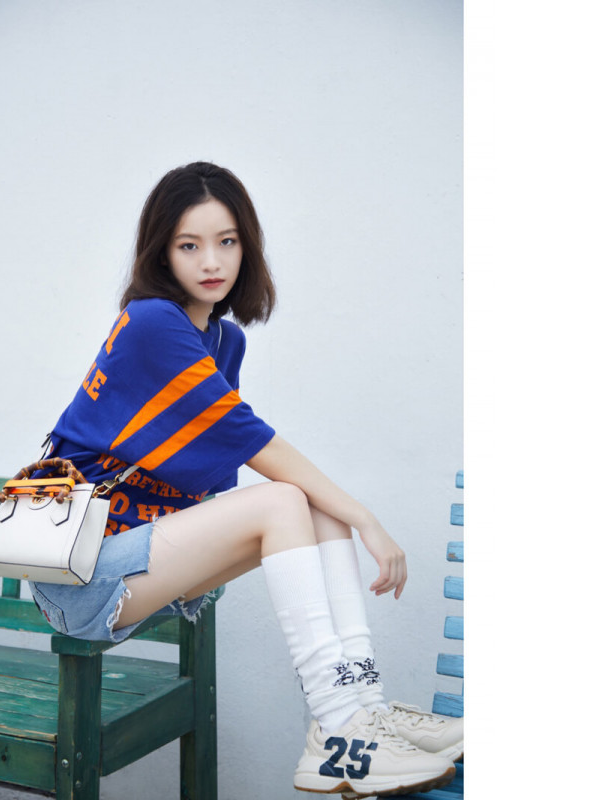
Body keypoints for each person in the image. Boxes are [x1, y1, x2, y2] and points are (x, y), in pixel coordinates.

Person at [29, 161, 463, 796]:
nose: (212, 261)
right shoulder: (152, 322)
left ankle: (362, 703)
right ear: (162, 252)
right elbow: (250, 442)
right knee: (287, 498)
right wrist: (368, 519)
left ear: (246, 245)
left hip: (142, 557)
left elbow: (218, 459)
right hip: (79, 572)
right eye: (189, 245)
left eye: (227, 241)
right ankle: (337, 726)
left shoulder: (223, 340)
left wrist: (341, 511)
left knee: (312, 504)